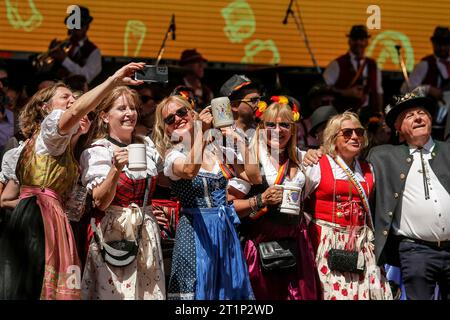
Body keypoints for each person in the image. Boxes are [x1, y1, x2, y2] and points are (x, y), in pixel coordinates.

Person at [0, 62, 146, 300]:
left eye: (73, 96)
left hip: (55, 216)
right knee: (34, 284)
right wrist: (113, 81)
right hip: (38, 216)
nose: (71, 100)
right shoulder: (49, 129)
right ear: (44, 108)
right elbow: (75, 111)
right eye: (64, 96)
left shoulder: (62, 147)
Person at [153, 94, 254, 300]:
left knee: (228, 292)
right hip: (194, 231)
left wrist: (240, 140)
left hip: (224, 229)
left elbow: (253, 176)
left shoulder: (217, 148)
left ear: (192, 113)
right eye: (169, 119)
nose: (177, 119)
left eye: (181, 112)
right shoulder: (173, 156)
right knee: (198, 290)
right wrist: (201, 131)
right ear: (166, 129)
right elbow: (190, 170)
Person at [228, 96, 320, 300]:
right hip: (260, 247)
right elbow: (229, 205)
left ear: (293, 129)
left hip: (297, 246)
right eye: (271, 124)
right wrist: (260, 200)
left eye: (285, 125)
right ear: (261, 128)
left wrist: (319, 151)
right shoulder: (251, 159)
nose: (278, 131)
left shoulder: (304, 159)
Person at [80, 86, 165, 300]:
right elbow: (100, 201)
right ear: (105, 116)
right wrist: (115, 170)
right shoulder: (98, 151)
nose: (129, 113)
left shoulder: (146, 144)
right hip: (113, 231)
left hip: (146, 230)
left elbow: (165, 179)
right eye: (121, 108)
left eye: (133, 108)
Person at [367, 88, 450, 299]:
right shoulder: (383, 157)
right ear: (397, 128)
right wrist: (315, 152)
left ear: (430, 119)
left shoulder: (448, 150)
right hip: (415, 252)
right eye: (409, 116)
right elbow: (345, 155)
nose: (417, 118)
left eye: (421, 113)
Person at [304, 111, 392, 300]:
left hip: (361, 244)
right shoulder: (317, 164)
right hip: (326, 243)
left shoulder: (369, 169)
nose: (354, 136)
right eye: (347, 133)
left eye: (359, 132)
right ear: (333, 138)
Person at [323, 25, 383, 123]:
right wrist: (344, 92)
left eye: (362, 39)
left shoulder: (373, 65)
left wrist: (379, 114)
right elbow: (323, 88)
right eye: (355, 39)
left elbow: (379, 92)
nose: (358, 42)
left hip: (367, 117)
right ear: (349, 41)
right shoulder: (337, 64)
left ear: (367, 42)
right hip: (342, 117)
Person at [401, 26, 450, 140]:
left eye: (445, 43)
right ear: (433, 43)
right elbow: (405, 89)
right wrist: (428, 89)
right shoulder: (426, 64)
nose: (442, 47)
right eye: (439, 43)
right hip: (433, 120)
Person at [49, 6, 102, 84]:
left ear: (86, 27)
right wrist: (51, 56)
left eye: (79, 24)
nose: (74, 28)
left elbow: (86, 76)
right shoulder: (63, 45)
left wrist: (64, 59)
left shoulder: (94, 52)